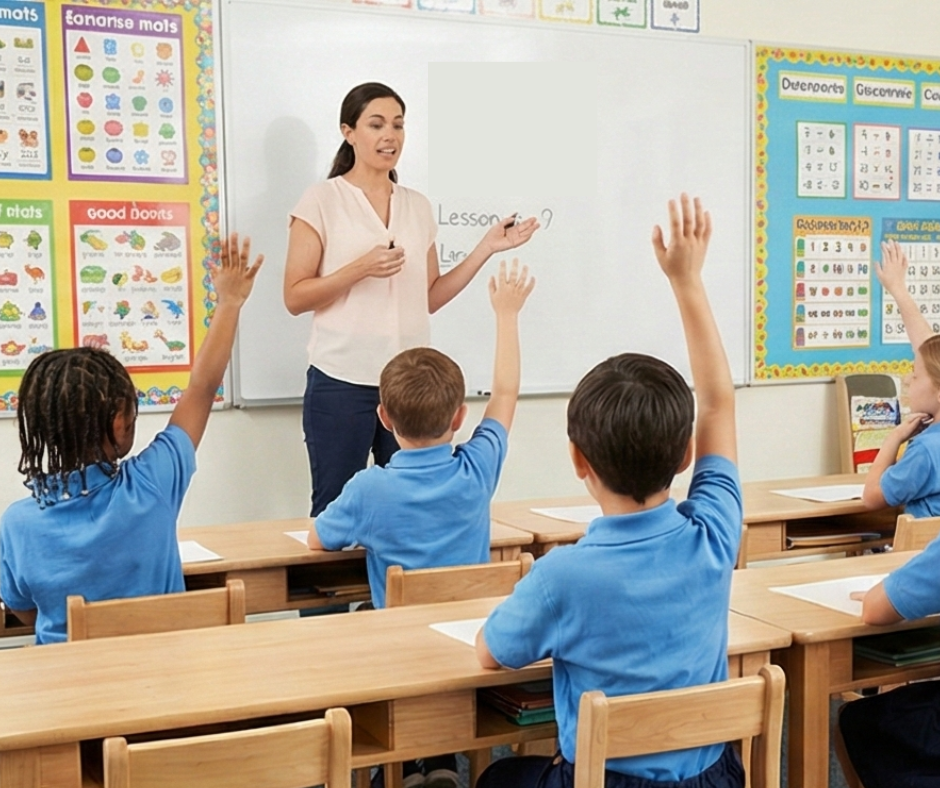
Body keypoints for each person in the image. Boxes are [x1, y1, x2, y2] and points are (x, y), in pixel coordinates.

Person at [474, 195, 745, 788]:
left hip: (607, 781)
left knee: (499, 779)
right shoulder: (714, 536)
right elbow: (719, 400)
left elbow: (492, 653)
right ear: (685, 456)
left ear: (578, 460)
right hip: (713, 777)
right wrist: (687, 282)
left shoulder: (560, 577)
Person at [308, 258, 534, 788]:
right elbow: (504, 396)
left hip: (402, 647)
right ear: (459, 418)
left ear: (382, 418)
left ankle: (408, 763)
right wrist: (507, 316)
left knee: (368, 624)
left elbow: (321, 537)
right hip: (467, 636)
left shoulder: (370, 487)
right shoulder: (478, 468)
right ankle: (438, 761)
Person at [283, 81, 538, 516]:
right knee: (335, 507)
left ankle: (398, 585)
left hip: (408, 385)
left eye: (398, 125)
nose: (390, 136)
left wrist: (485, 248)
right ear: (349, 132)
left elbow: (430, 297)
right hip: (341, 379)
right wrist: (359, 269)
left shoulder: (417, 206)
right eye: (377, 124)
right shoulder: (322, 199)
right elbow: (294, 296)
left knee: (413, 507)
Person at [0, 234, 263, 645]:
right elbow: (203, 386)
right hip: (161, 675)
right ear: (120, 420)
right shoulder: (152, 484)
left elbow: (24, 609)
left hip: (66, 689)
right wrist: (229, 302)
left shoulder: (18, 523)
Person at [861, 240, 940, 518]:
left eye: (915, 375)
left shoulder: (926, 450)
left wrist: (895, 437)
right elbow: (931, 353)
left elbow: (871, 498)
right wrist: (899, 291)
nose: (907, 380)